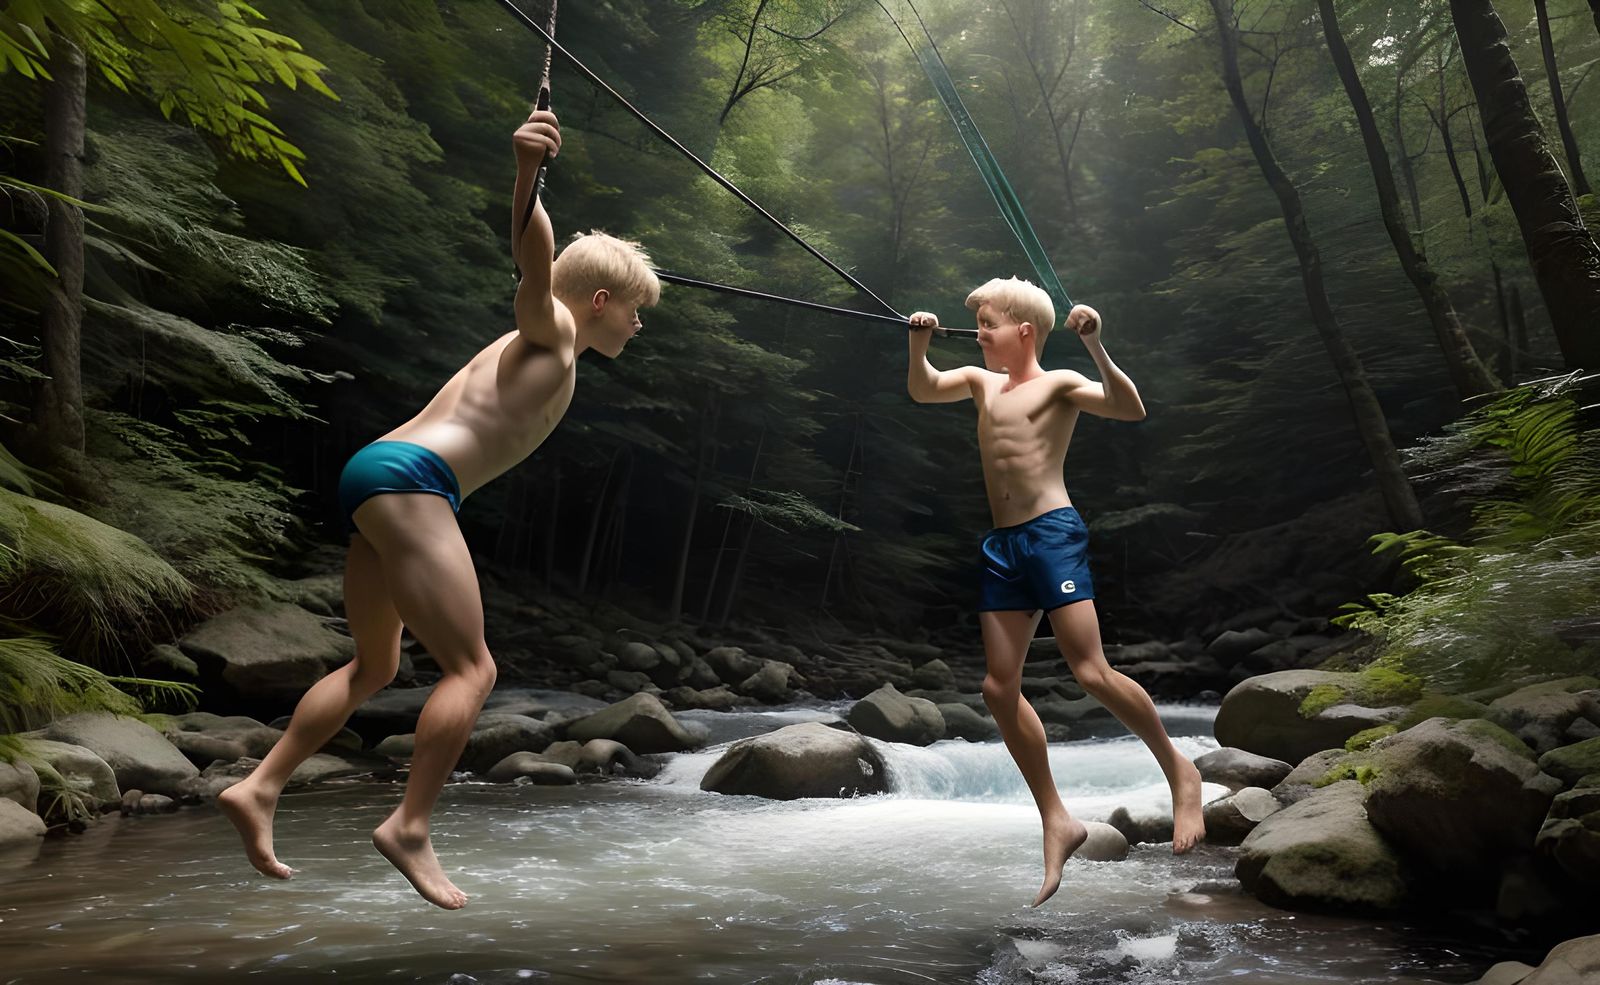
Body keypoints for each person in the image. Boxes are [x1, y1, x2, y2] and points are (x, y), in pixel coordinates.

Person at [219, 105, 660, 910]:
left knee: (378, 664)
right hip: (412, 480)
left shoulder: (536, 342)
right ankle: (410, 826)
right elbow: (536, 266)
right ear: (599, 300)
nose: (639, 323)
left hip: (376, 474)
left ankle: (259, 785)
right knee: (473, 666)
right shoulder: (555, 329)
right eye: (636, 310)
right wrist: (526, 173)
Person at [905, 277, 1203, 907]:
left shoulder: (1061, 383)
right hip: (1003, 544)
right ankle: (1057, 819)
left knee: (1090, 672)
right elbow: (923, 388)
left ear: (1023, 331)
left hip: (1051, 533)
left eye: (986, 323)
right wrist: (918, 344)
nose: (978, 333)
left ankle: (1181, 770)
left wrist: (1096, 346)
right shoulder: (980, 382)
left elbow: (1129, 408)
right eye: (977, 324)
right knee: (996, 687)